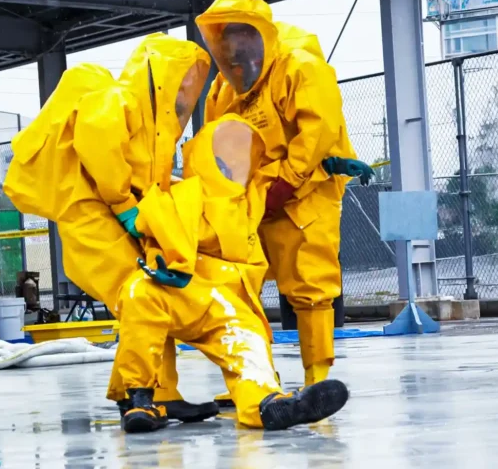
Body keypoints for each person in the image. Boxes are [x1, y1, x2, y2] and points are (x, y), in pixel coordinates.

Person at [4, 33, 219, 424]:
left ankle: (157, 393)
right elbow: (98, 141)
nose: (185, 92)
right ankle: (140, 397)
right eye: (181, 80)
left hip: (105, 219)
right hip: (90, 218)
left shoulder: (153, 128)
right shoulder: (122, 101)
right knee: (144, 295)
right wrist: (123, 206)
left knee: (151, 297)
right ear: (160, 76)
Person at [110, 115, 349, 434]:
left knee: (248, 340)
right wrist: (161, 262)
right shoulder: (181, 195)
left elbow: (283, 176)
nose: (233, 168)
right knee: (139, 292)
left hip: (228, 306)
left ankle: (267, 405)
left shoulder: (249, 198)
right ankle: (139, 399)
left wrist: (328, 166)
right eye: (221, 160)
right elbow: (152, 224)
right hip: (182, 292)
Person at [197, 0, 376, 391]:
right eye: (227, 45)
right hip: (253, 198)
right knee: (238, 285)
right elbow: (214, 142)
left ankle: (317, 379)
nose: (235, 54)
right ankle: (255, 381)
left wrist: (289, 179)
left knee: (311, 283)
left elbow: (318, 131)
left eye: (241, 41)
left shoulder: (299, 67)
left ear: (258, 34)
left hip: (307, 193)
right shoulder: (225, 89)